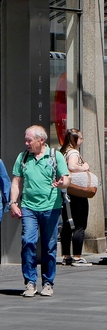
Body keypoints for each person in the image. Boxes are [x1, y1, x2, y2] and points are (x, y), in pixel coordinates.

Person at [9, 125, 70, 297]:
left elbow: (66, 179)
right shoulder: (23, 157)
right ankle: (30, 282)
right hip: (28, 207)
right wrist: (13, 203)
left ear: (41, 140)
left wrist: (62, 182)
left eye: (29, 140)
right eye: (26, 140)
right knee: (28, 241)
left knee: (49, 246)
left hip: (51, 207)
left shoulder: (55, 156)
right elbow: (16, 182)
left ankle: (48, 282)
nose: (26, 143)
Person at [60, 129, 97, 266]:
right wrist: (84, 167)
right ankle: (77, 256)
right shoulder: (74, 152)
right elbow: (72, 166)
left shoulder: (63, 151)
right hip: (77, 192)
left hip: (66, 191)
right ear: (75, 139)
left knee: (67, 224)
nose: (82, 140)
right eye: (80, 138)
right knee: (79, 225)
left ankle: (66, 255)